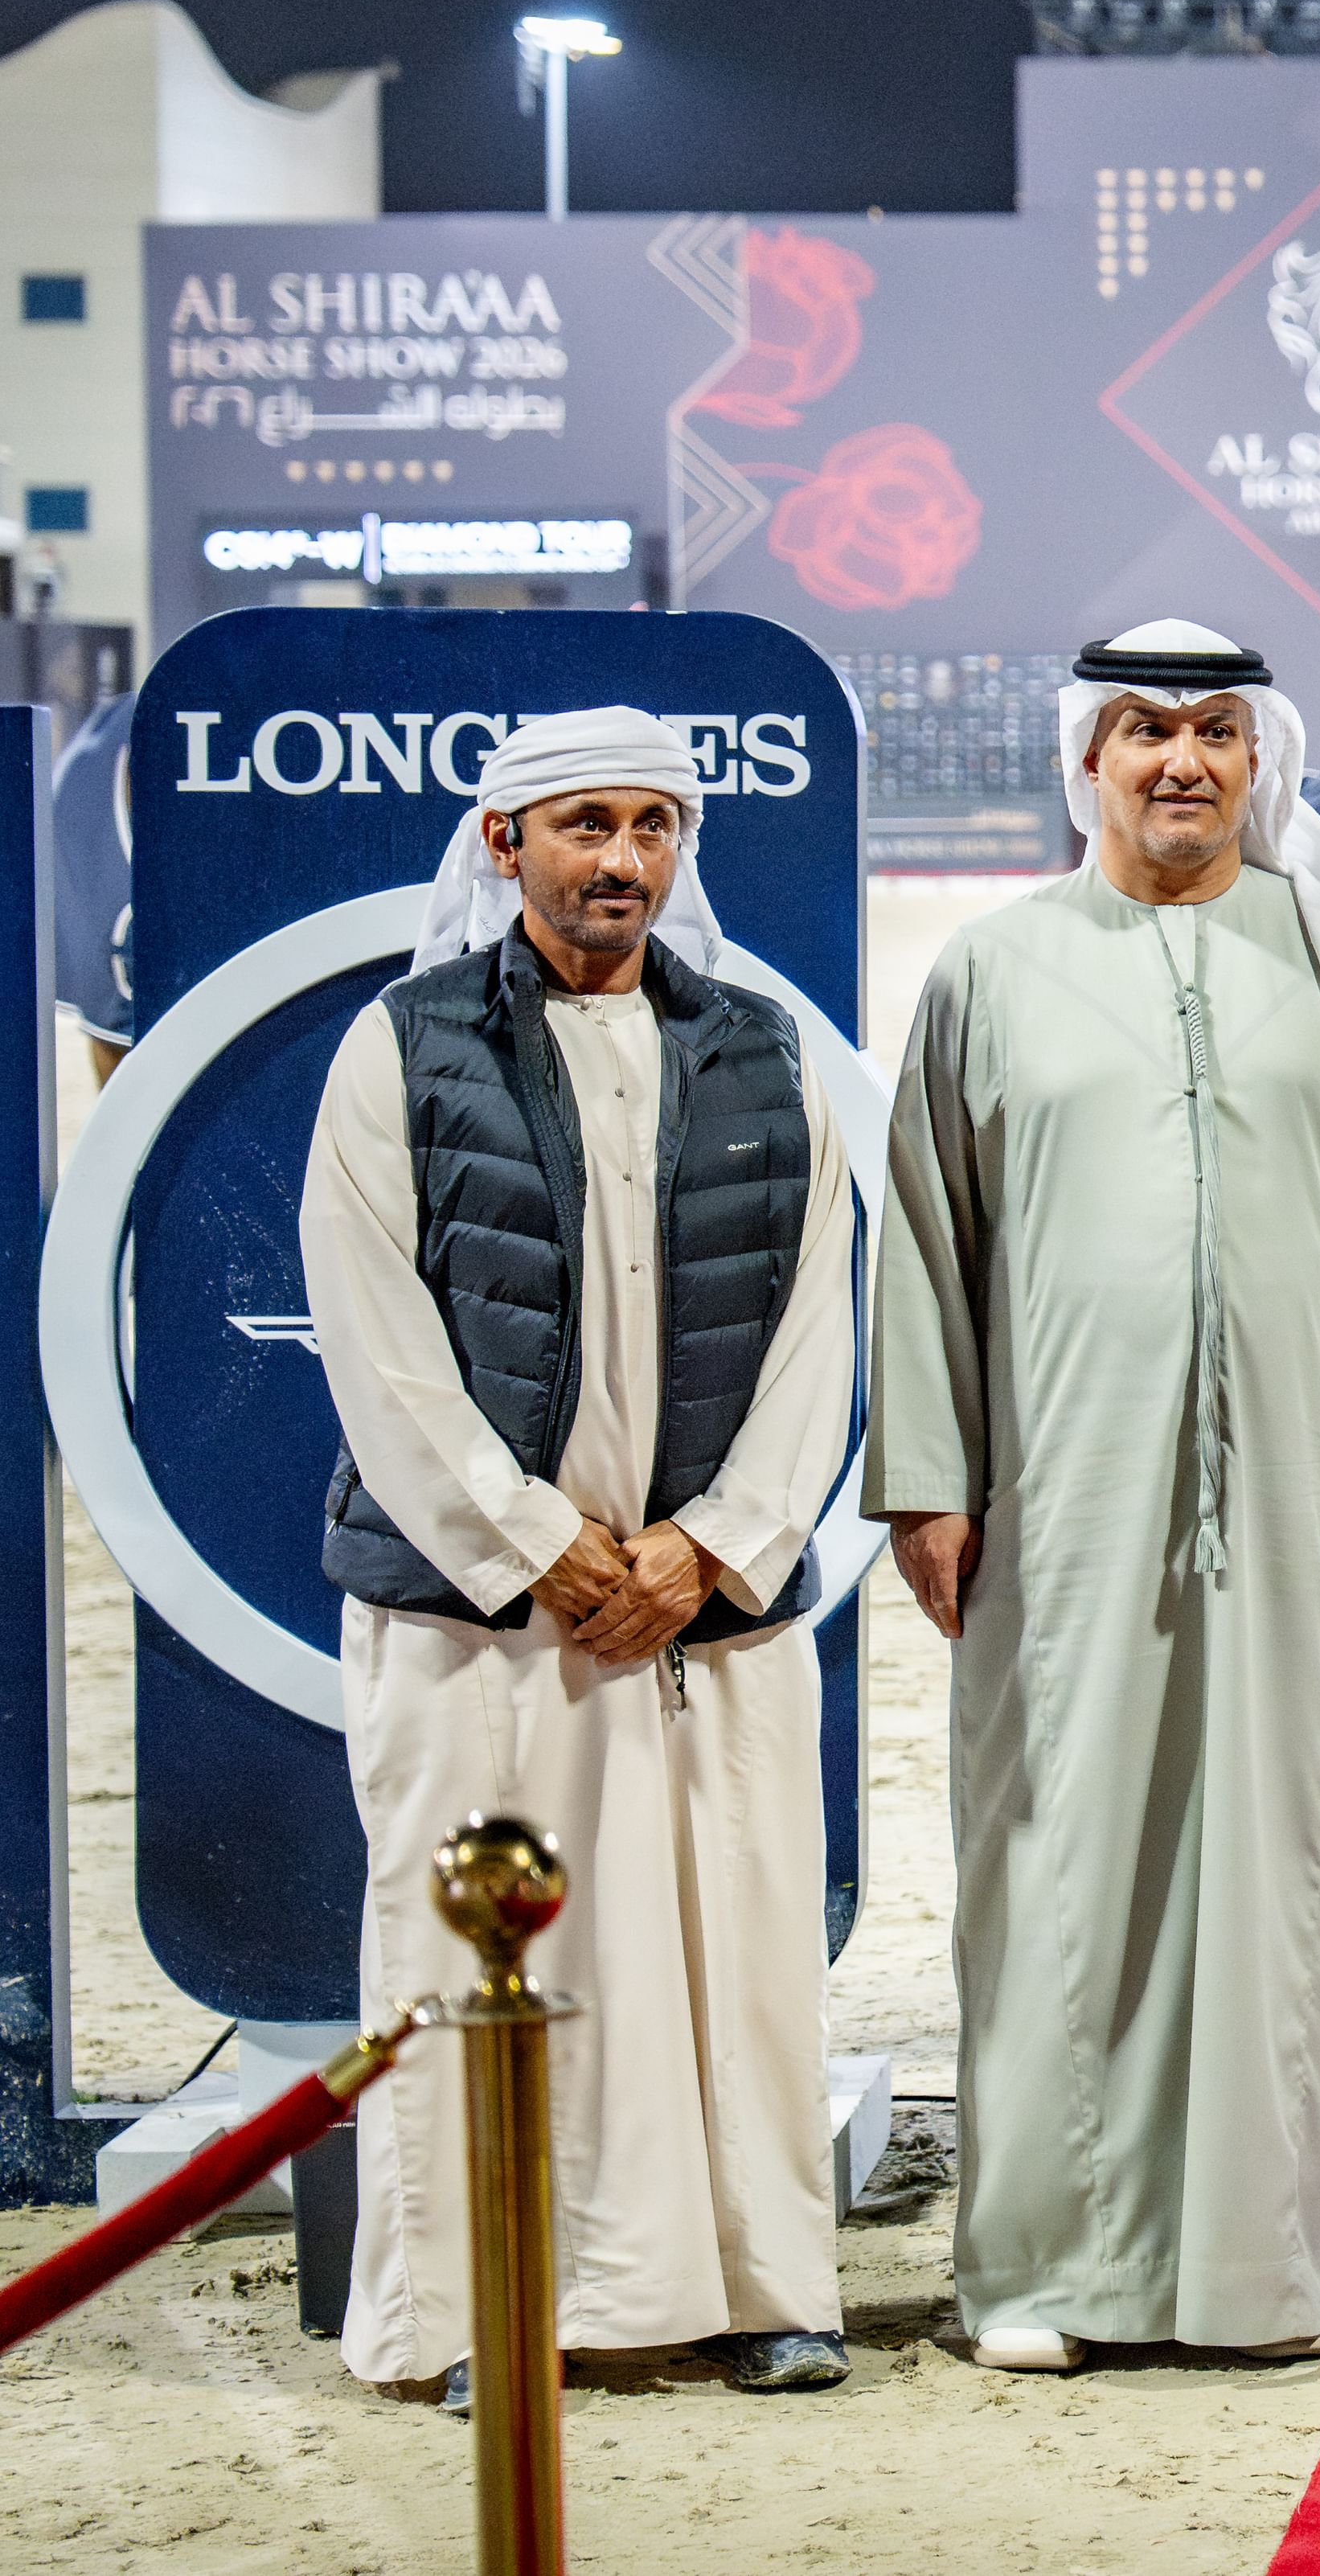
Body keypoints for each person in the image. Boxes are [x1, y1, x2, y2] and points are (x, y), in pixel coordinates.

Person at [870, 622, 1320, 2372]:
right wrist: (928, 1471)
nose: (1181, 760)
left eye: (1216, 727)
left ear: (1261, 752)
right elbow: (923, 1240)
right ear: (1088, 754)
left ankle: (1257, 2272)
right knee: (1064, 1856)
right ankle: (1049, 2273)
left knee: (1281, 1860)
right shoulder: (993, 968)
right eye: (1144, 728)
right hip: (1058, 1500)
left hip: (1292, 1490)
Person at [305, 708, 856, 2406]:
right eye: (584, 826)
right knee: (479, 1964)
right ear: (503, 843)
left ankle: (766, 2283)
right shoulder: (399, 1049)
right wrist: (542, 1546)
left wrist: (712, 1542)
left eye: (652, 826)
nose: (621, 858)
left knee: (739, 1954)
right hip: (488, 1620)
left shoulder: (761, 1049)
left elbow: (819, 1324)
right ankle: (480, 2308)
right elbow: (376, 1331)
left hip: (703, 1616)